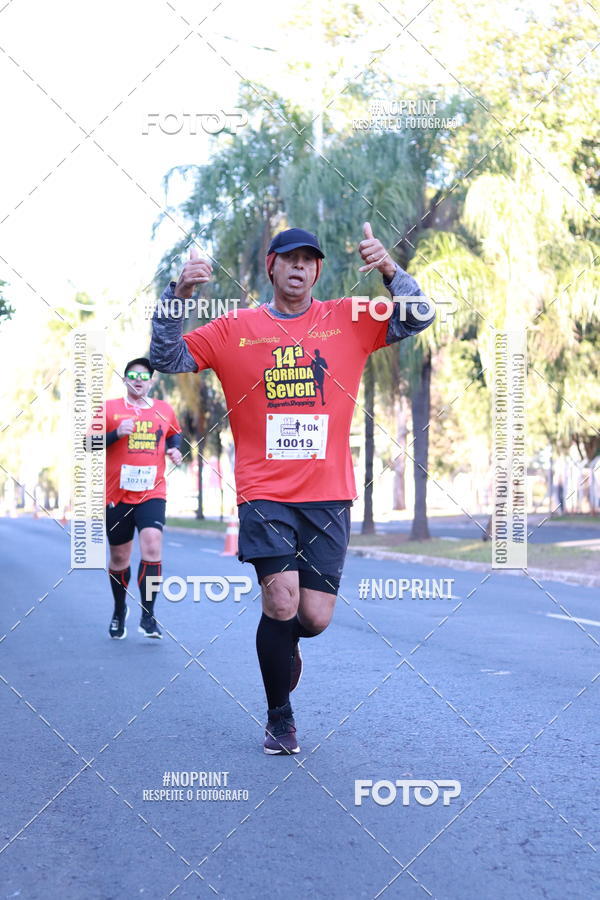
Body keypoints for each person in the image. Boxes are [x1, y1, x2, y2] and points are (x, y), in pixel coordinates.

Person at [150, 224, 435, 754]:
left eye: (309, 260)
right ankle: (280, 717)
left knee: (313, 617)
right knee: (280, 601)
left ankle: (285, 650)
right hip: (264, 492)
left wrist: (391, 271)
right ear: (272, 268)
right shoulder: (235, 328)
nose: (299, 267)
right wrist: (178, 295)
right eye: (289, 259)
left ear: (318, 271)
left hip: (328, 494)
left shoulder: (348, 318)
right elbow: (166, 359)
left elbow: (419, 316)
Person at [101, 358, 182, 640]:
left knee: (152, 545)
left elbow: (174, 436)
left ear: (151, 381)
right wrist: (115, 433)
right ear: (125, 379)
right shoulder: (109, 409)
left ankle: (148, 615)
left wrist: (174, 451)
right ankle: (120, 608)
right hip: (117, 495)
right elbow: (87, 443)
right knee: (120, 557)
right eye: (133, 375)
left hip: (152, 492)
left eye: (144, 376)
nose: (138, 380)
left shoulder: (164, 410)